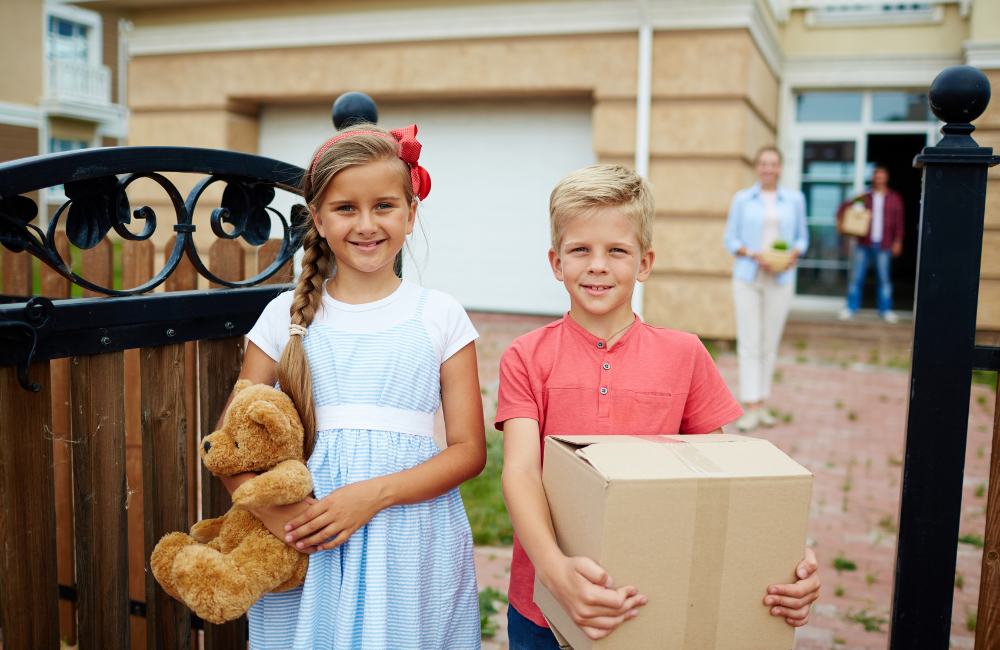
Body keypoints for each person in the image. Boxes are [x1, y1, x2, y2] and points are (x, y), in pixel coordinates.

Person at [497, 165, 821, 649]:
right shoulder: (526, 356)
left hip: (653, 609)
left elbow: (726, 478)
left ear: (645, 263)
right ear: (555, 260)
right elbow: (521, 471)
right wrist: (557, 571)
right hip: (543, 605)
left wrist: (787, 557)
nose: (598, 265)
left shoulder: (685, 354)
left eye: (618, 251)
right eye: (580, 249)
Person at [216, 124, 486, 649]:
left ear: (410, 213)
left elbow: (469, 451)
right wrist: (276, 515)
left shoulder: (440, 315)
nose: (366, 224)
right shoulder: (281, 318)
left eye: (384, 206)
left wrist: (372, 495)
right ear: (317, 216)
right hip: (308, 535)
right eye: (345, 208)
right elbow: (229, 444)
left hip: (408, 534)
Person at [723, 146, 808, 433]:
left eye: (773, 164)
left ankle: (762, 400)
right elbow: (730, 239)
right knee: (749, 341)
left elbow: (802, 238)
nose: (768, 168)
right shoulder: (743, 199)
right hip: (748, 276)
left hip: (781, 278)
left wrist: (793, 253)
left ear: (780, 167)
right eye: (763, 163)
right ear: (757, 167)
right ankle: (751, 406)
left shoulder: (795, 199)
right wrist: (751, 253)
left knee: (768, 344)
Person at [836, 165, 905, 323]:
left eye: (882, 176)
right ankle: (851, 308)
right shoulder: (864, 197)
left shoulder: (895, 198)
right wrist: (841, 222)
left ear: (886, 178)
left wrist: (898, 241)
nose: (879, 179)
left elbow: (899, 223)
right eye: (877, 176)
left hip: (885, 244)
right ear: (873, 178)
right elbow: (844, 207)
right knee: (856, 277)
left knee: (884, 279)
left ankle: (886, 310)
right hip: (863, 243)